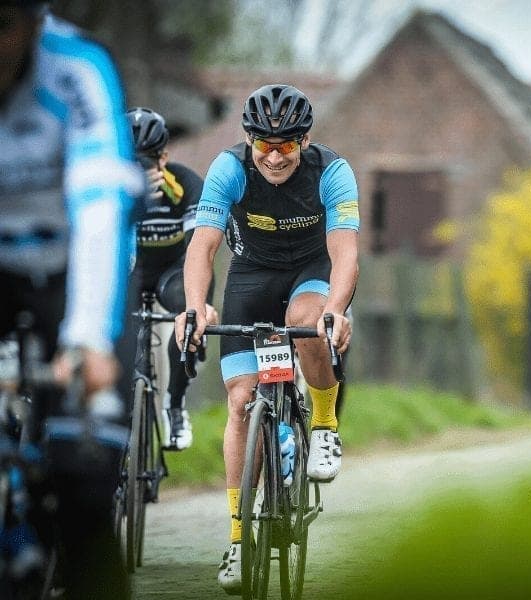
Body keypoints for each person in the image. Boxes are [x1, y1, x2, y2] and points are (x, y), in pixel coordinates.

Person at [174, 84, 359, 593]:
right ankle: (238, 539)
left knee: (307, 320)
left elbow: (344, 251)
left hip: (312, 271)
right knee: (240, 402)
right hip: (252, 276)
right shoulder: (228, 169)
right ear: (250, 140)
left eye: (287, 145)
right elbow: (203, 245)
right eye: (265, 145)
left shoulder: (333, 172)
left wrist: (336, 312)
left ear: (304, 142)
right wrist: (194, 306)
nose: (275, 156)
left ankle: (322, 424)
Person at [0, 1, 141, 597]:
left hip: (73, 271)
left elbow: (101, 211)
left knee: (82, 479)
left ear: (33, 22)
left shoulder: (76, 70)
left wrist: (87, 338)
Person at [127, 106, 218, 450]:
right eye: (131, 160)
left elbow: (200, 249)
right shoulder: (114, 188)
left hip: (173, 272)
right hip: (131, 273)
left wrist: (201, 304)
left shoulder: (185, 185)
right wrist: (132, 201)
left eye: (147, 160)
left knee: (188, 312)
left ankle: (175, 404)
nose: (141, 168)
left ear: (164, 157)